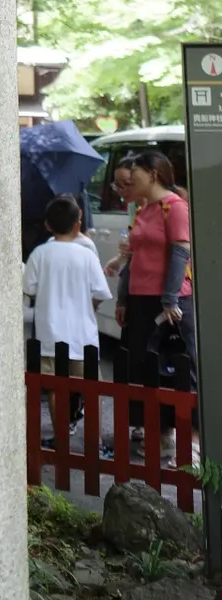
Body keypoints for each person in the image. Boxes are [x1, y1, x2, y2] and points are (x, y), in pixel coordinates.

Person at [112, 151, 195, 446]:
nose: (130, 178)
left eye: (135, 172)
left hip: (168, 302)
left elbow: (181, 252)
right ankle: (159, 434)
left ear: (153, 174)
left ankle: (191, 441)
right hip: (140, 301)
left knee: (179, 369)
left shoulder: (175, 207)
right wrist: (123, 299)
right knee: (146, 369)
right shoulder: (144, 209)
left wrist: (170, 299)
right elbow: (134, 258)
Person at [23, 193, 111, 375]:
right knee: (87, 386)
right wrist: (89, 305)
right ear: (77, 224)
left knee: (51, 385)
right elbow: (101, 293)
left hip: (48, 338)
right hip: (83, 339)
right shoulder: (87, 255)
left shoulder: (39, 254)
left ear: (47, 225)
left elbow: (29, 289)